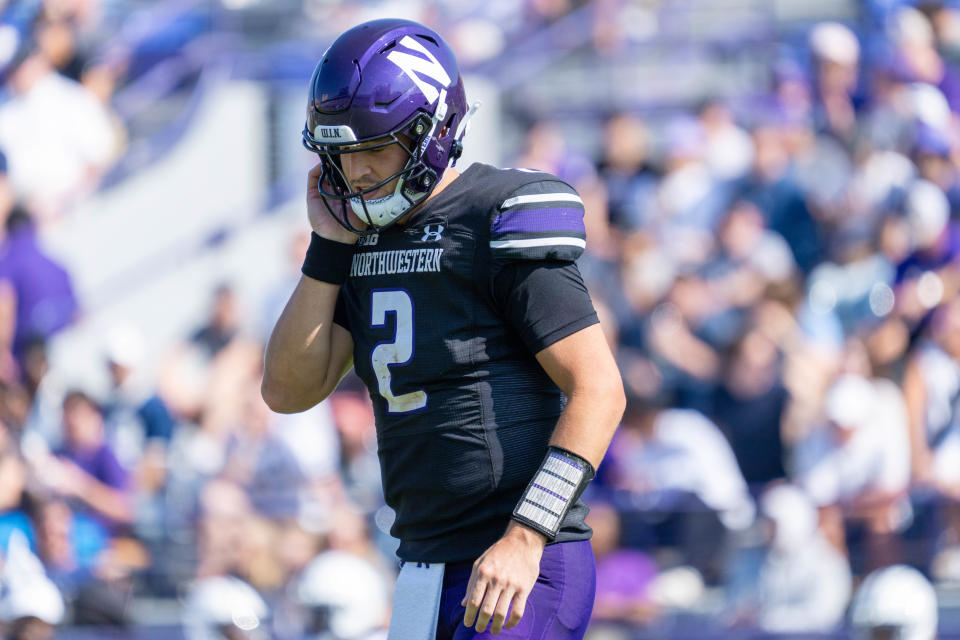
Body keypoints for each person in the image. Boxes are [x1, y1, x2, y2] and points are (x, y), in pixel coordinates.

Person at [262, 18, 625, 640]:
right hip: (423, 564)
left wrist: (526, 534)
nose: (358, 172)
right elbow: (287, 391)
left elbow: (601, 390)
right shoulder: (357, 239)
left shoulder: (495, 215)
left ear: (431, 132)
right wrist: (327, 249)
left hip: (516, 560)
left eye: (375, 147)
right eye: (343, 154)